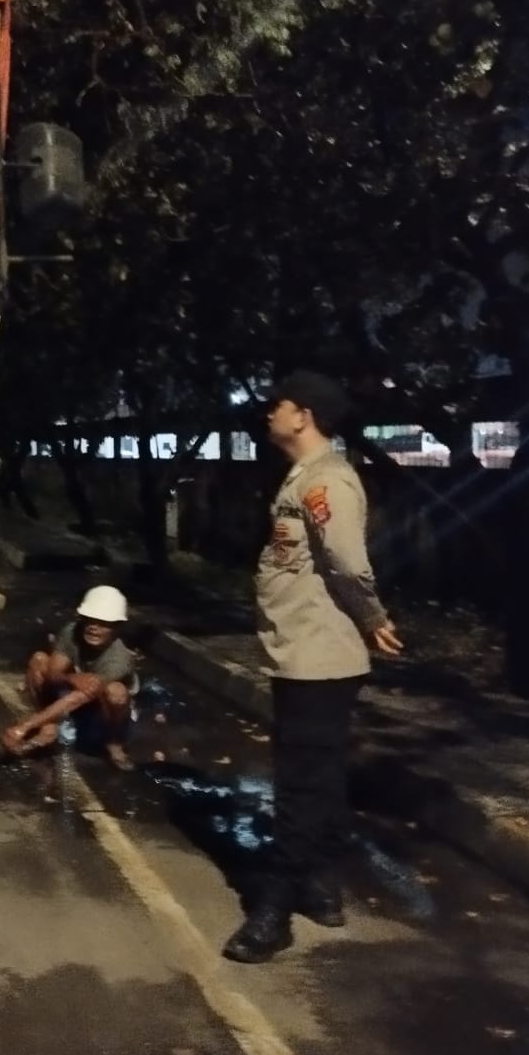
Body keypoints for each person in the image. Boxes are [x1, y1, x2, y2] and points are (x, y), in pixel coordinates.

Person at [223, 369, 404, 965]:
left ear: (303, 416)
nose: (268, 413)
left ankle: (273, 911)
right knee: (320, 776)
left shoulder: (328, 482)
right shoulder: (304, 476)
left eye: (277, 405)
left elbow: (347, 562)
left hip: (318, 655)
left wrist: (372, 616)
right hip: (302, 649)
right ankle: (321, 886)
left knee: (300, 782)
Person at [2, 585, 139, 771]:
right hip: (75, 691)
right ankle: (48, 725)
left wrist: (24, 727)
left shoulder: (120, 658)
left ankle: (113, 742)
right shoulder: (72, 632)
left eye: (103, 623)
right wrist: (72, 678)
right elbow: (52, 673)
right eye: (90, 620)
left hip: (104, 709)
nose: (94, 628)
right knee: (39, 660)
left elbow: (79, 698)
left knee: (116, 692)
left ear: (116, 627)